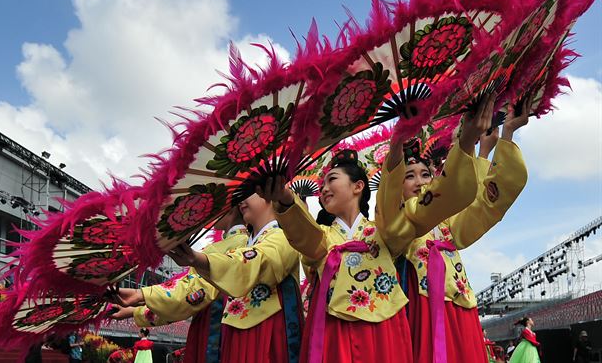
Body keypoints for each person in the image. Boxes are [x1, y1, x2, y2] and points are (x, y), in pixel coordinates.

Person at [259, 97, 489, 363]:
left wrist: (398, 145)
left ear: (358, 186)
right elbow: (305, 237)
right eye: (322, 184)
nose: (323, 189)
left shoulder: (383, 232)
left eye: (331, 179)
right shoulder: (324, 237)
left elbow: (394, 214)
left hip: (384, 332)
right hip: (333, 330)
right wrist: (286, 200)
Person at [387, 94, 530, 363]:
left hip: (460, 310)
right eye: (409, 175)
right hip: (421, 314)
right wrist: (465, 144)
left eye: (425, 174)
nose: (419, 181)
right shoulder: (397, 221)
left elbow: (483, 203)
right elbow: (446, 194)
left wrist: (506, 135)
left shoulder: (446, 225)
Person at [169, 192, 302, 363]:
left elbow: (253, 262)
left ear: (270, 192)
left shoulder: (284, 237)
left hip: (267, 330)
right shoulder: (247, 244)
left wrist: (199, 259)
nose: (241, 201)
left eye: (251, 191)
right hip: (235, 330)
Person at [109, 208, 248, 363]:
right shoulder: (233, 243)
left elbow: (191, 295)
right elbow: (182, 301)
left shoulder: (236, 244)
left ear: (233, 209)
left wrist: (139, 296)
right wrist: (135, 310)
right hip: (214, 327)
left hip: (216, 332)